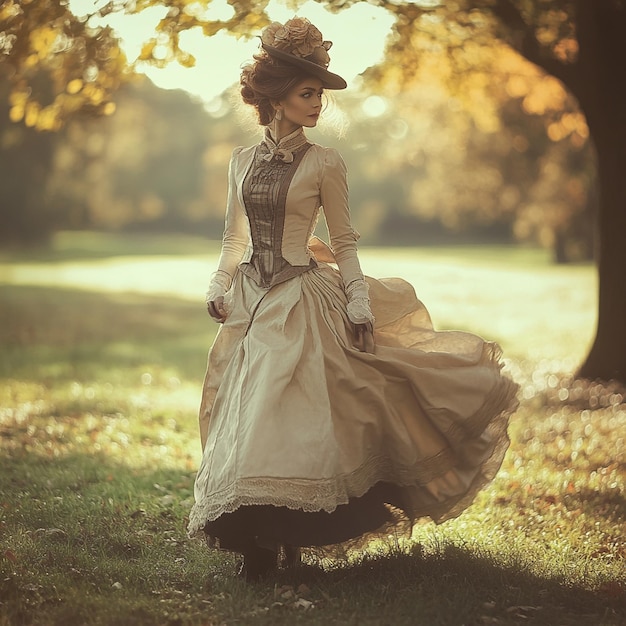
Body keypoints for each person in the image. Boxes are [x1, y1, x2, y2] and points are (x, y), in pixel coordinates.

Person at [188, 17, 519, 581]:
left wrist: (360, 303)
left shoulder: (326, 163)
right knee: (249, 416)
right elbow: (232, 239)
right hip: (250, 302)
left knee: (287, 416)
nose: (317, 104)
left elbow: (342, 243)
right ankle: (259, 541)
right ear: (276, 96)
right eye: (307, 92)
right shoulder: (240, 160)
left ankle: (281, 538)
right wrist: (218, 286)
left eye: (319, 94)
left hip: (300, 299)